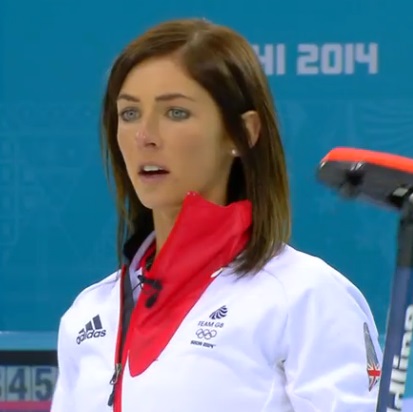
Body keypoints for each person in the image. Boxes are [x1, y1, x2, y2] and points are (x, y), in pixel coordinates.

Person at [50, 18, 383, 412]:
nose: (145, 136)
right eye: (129, 114)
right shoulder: (89, 313)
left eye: (176, 112)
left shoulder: (304, 296)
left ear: (243, 133)